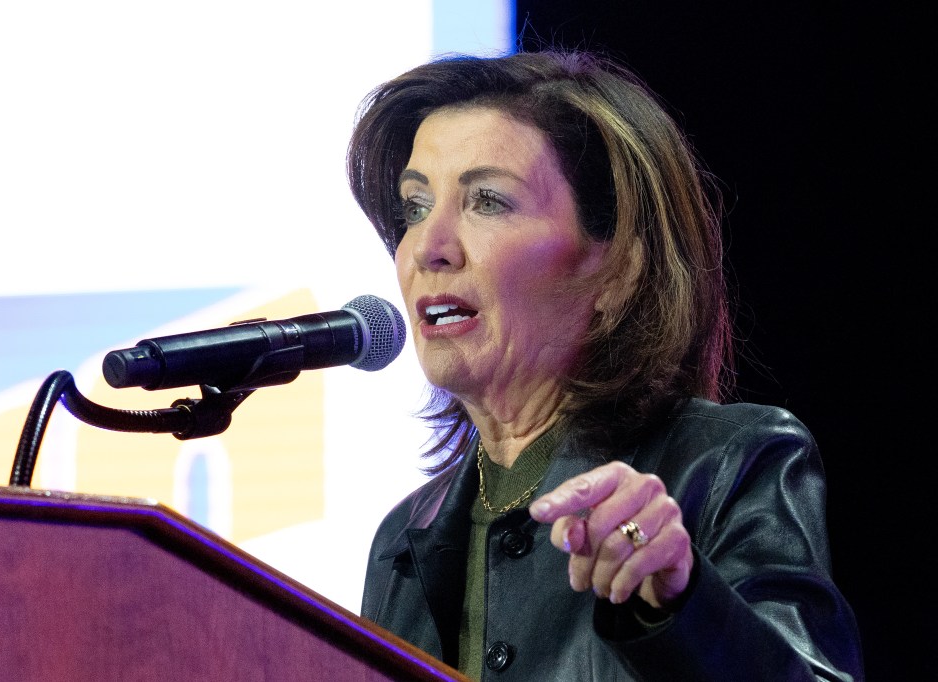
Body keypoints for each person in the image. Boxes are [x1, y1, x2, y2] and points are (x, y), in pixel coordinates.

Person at [346, 49, 863, 682]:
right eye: (415, 206)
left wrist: (682, 605)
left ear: (617, 267)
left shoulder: (727, 465)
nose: (427, 247)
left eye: (487, 202)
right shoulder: (402, 543)